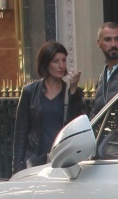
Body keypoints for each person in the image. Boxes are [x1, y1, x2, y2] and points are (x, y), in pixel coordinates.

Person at [13, 41, 85, 172]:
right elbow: (21, 132)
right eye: (56, 61)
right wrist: (17, 166)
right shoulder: (30, 92)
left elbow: (76, 125)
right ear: (46, 63)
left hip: (62, 159)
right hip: (36, 160)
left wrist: (74, 91)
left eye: (63, 60)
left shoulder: (71, 92)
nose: (61, 66)